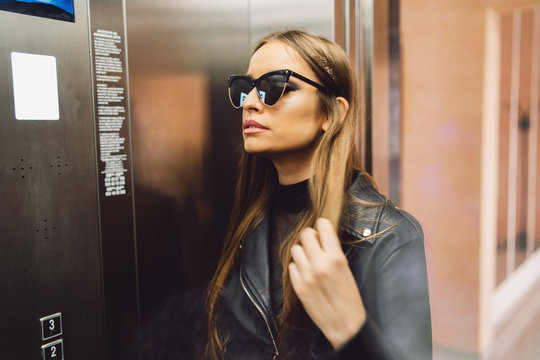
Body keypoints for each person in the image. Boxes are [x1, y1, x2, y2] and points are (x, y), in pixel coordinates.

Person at [204, 29, 432, 360]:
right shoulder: (250, 221)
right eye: (245, 88)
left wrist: (351, 332)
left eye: (274, 86)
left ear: (331, 114)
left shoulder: (389, 237)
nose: (250, 102)